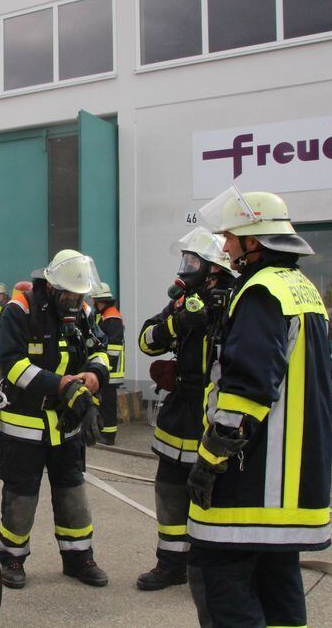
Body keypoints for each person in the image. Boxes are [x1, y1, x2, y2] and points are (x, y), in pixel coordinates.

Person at [187, 188, 332, 627]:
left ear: (255, 242)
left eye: (232, 237)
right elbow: (326, 375)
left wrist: (210, 460)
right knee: (279, 586)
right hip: (294, 486)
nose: (226, 246)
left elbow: (245, 390)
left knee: (226, 593)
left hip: (247, 485)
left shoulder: (259, 292)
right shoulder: (305, 292)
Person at [0, 249, 112, 590]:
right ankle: (11, 558)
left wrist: (93, 376)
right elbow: (13, 366)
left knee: (72, 490)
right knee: (21, 494)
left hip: (66, 424)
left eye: (80, 294)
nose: (75, 300)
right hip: (24, 423)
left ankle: (78, 558)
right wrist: (60, 385)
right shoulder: (20, 310)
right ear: (51, 286)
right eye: (70, 294)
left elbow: (100, 349)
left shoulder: (84, 311)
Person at [135, 229, 234, 592]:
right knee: (168, 488)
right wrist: (177, 324)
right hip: (179, 410)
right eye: (185, 260)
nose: (185, 267)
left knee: (211, 493)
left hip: (215, 412)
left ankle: (210, 568)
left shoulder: (234, 301)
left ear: (214, 269)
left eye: (193, 261)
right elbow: (147, 340)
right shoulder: (183, 301)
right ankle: (171, 563)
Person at [90, 282, 124, 446]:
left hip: (111, 370)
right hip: (106, 369)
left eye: (94, 300)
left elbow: (114, 346)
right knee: (103, 403)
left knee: (108, 404)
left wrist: (104, 365)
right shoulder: (103, 315)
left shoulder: (112, 317)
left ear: (100, 300)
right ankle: (102, 432)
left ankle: (109, 436)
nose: (92, 304)